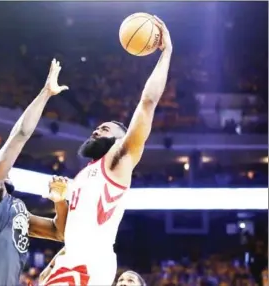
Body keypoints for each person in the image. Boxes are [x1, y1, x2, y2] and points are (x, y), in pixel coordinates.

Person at [41, 16, 173, 286]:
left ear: (122, 139)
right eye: (97, 128)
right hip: (69, 261)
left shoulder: (118, 161)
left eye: (105, 129)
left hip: (89, 265)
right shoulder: (84, 175)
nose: (96, 131)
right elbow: (65, 232)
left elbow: (147, 103)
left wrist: (166, 52)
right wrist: (57, 203)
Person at [0, 59, 70, 286]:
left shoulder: (15, 210)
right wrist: (46, 93)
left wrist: (59, 202)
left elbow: (59, 233)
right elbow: (19, 136)